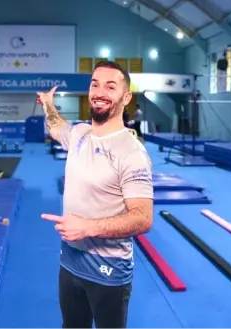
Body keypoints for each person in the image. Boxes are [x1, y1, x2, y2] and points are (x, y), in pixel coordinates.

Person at [37, 60, 154, 329]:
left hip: (108, 269)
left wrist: (88, 227)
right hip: (69, 261)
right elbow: (56, 127)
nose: (100, 92)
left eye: (110, 87)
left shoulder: (131, 152)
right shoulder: (79, 134)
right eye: (95, 84)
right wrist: (47, 104)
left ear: (125, 98)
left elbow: (143, 218)